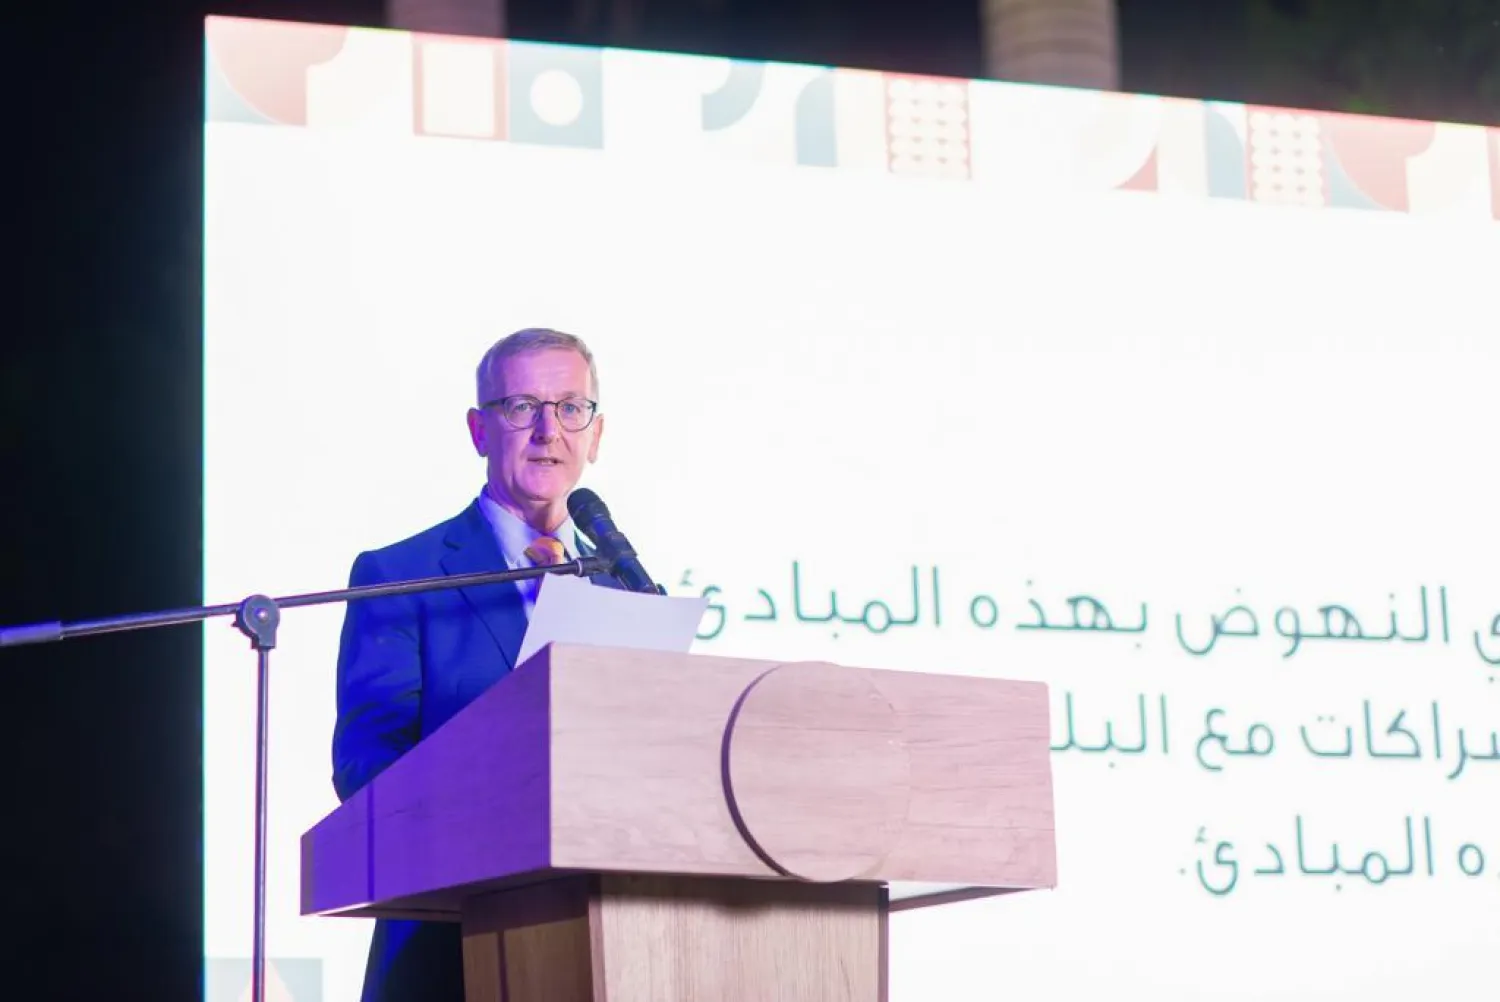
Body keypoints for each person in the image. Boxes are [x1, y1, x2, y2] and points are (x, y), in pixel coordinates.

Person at [330, 327, 620, 1002]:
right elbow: (366, 766)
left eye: (570, 408)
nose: (549, 430)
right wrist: (492, 798)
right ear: (478, 430)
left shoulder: (624, 583)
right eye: (522, 407)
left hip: (605, 944)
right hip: (448, 946)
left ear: (596, 434)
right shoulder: (400, 575)